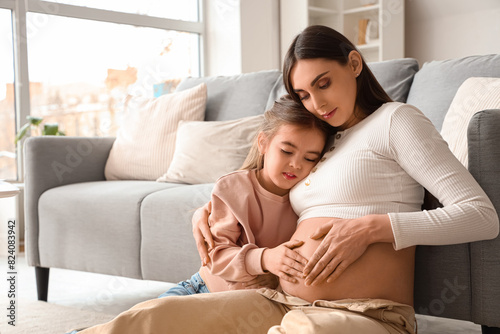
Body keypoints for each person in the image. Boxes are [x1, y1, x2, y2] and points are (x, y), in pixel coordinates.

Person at [75, 25, 498, 334]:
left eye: (323, 84)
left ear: (354, 63)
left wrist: (373, 228)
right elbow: (262, 187)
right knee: (149, 320)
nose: (317, 103)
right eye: (304, 96)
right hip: (278, 299)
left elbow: (480, 216)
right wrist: (207, 210)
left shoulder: (396, 121)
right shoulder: (322, 143)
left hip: (365, 314)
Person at [158, 95, 330, 297]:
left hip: (250, 304)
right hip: (201, 291)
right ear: (263, 143)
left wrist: (275, 276)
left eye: (309, 158)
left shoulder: (308, 200)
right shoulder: (233, 187)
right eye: (286, 151)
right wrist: (265, 259)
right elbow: (215, 257)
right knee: (145, 321)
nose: (296, 164)